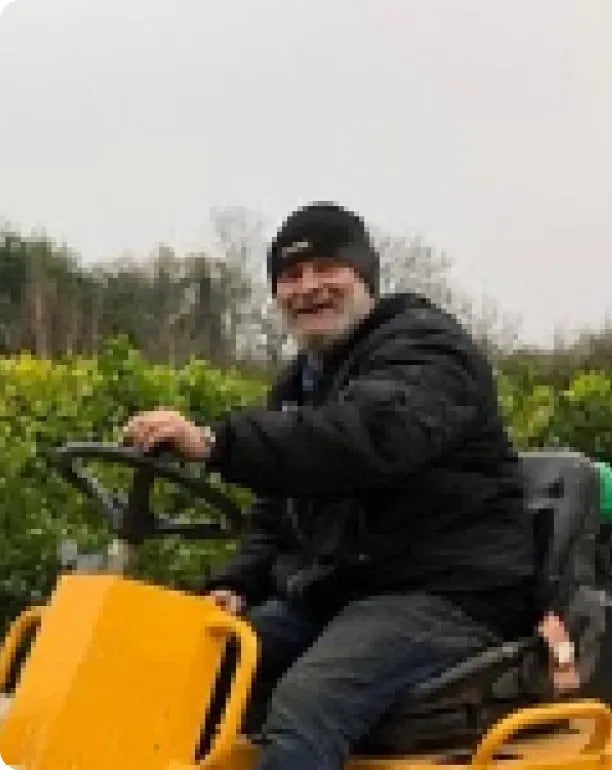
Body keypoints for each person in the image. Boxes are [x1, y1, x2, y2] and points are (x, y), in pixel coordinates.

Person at [123, 202, 577, 770]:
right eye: (291, 276)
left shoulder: (426, 350)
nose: (308, 287)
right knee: (193, 661)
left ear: (363, 277)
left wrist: (217, 446)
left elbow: (364, 438)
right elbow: (278, 509)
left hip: (447, 594)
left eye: (326, 269)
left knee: (309, 701)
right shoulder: (303, 383)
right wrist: (239, 582)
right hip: (347, 591)